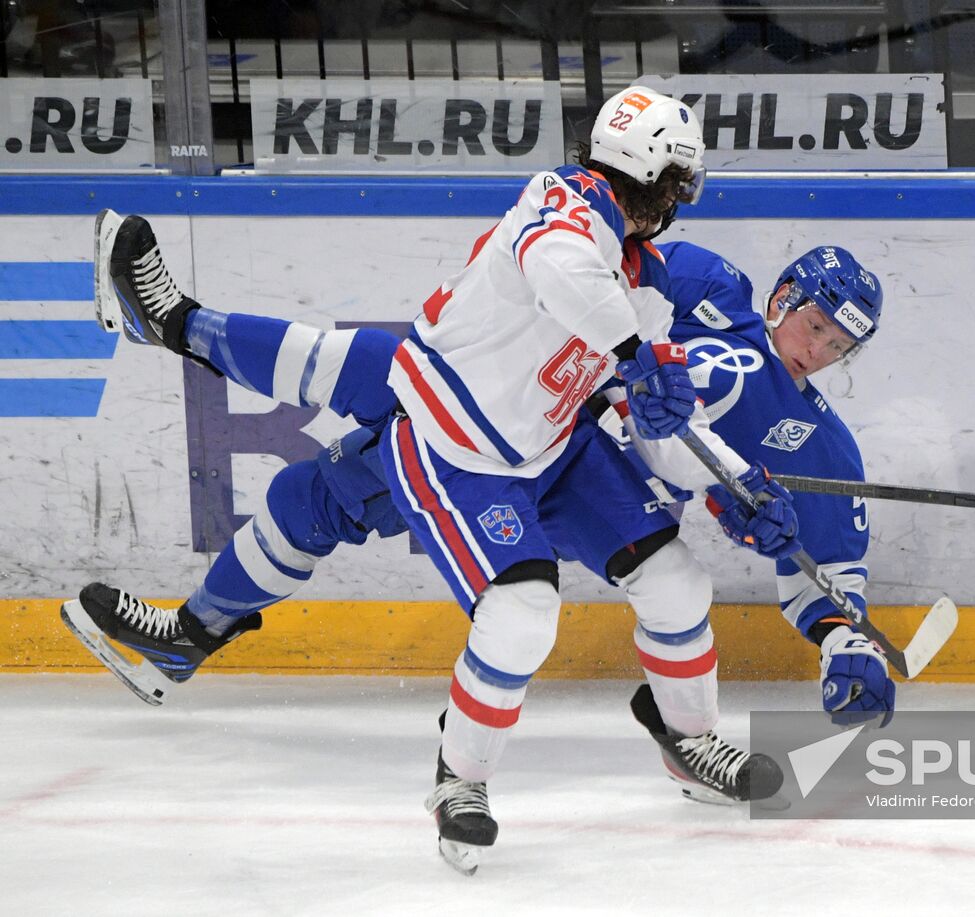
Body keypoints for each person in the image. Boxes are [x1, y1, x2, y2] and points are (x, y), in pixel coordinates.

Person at [65, 86, 796, 878]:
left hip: (542, 445)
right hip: (450, 440)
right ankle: (460, 778)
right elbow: (564, 271)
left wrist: (731, 483)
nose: (680, 203)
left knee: (677, 582)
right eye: (677, 184)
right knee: (493, 595)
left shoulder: (650, 284)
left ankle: (688, 741)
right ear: (657, 176)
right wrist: (632, 356)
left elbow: (661, 418)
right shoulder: (561, 200)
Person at [598, 240, 894, 723]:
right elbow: (591, 289)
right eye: (815, 326)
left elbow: (828, 569)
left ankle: (686, 736)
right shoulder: (704, 281)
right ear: (782, 299)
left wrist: (845, 641)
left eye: (838, 346)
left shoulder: (824, 446)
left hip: (611, 499)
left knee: (670, 588)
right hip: (548, 420)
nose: (818, 351)